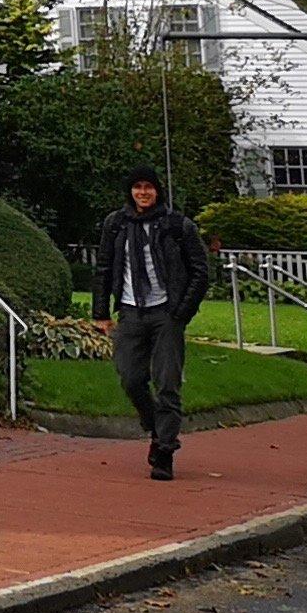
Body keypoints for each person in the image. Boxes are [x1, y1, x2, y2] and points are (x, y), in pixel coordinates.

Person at [90, 167, 212, 479]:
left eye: (149, 187)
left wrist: (181, 311)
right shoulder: (116, 224)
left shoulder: (177, 225)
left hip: (166, 313)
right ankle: (156, 426)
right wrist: (100, 311)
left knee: (167, 382)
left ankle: (165, 451)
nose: (143, 193)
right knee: (130, 377)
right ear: (130, 191)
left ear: (158, 191)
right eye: (137, 187)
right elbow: (104, 268)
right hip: (131, 312)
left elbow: (200, 271)